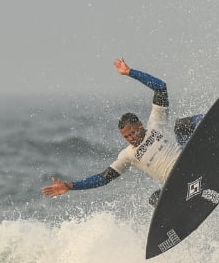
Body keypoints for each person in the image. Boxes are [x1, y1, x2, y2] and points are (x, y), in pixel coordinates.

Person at [42, 58, 202, 205]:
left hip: (192, 163)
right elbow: (103, 178)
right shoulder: (128, 155)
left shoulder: (156, 123)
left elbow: (160, 88)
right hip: (178, 186)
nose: (131, 138)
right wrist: (70, 186)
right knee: (155, 199)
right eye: (126, 137)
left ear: (139, 124)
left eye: (132, 133)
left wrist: (130, 72)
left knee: (182, 125)